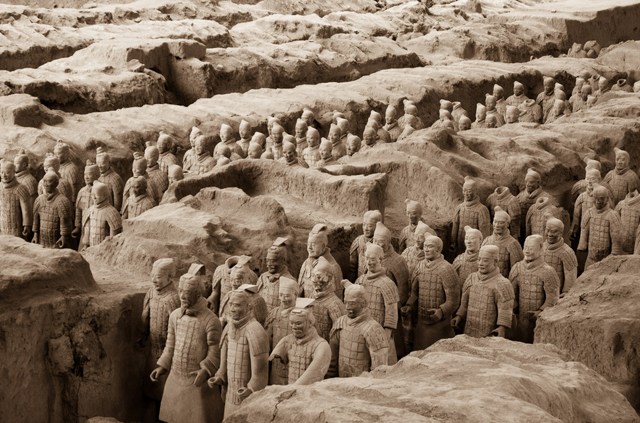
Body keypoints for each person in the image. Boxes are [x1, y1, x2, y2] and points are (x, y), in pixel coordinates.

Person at [150, 273, 223, 423]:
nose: (182, 296)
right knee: (171, 417)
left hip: (197, 382)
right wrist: (162, 366)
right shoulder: (175, 316)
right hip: (175, 377)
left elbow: (215, 351)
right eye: (180, 291)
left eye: (187, 293)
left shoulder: (211, 320)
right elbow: (170, 345)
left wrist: (205, 370)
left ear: (197, 294)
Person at [209, 285, 269, 419]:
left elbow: (260, 372)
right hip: (230, 393)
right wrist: (220, 375)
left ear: (249, 308)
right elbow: (224, 362)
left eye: (237, 305)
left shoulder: (255, 331)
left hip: (246, 396)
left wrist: (251, 389)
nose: (232, 309)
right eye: (231, 305)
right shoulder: (229, 327)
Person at [403, 235, 460, 350]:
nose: (426, 249)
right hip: (421, 322)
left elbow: (454, 299)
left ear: (438, 249)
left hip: (440, 325)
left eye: (430, 247)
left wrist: (441, 311)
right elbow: (415, 292)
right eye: (425, 246)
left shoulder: (447, 269)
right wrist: (409, 305)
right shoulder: (420, 266)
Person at [141, 259, 180, 410]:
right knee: (151, 389)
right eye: (152, 276)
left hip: (168, 353)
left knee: (166, 394)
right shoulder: (151, 292)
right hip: (152, 349)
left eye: (158, 277)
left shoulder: (173, 298)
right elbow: (145, 316)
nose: (153, 280)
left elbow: (177, 326)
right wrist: (142, 333)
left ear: (169, 277)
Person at [451, 245, 514, 338]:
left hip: (489, 332)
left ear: (495, 262)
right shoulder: (471, 278)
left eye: (485, 260)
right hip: (469, 329)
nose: (480, 263)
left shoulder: (502, 283)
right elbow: (464, 304)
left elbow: (505, 310)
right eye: (479, 259)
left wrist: (502, 327)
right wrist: (459, 316)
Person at [328, 285, 389, 377]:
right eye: (346, 302)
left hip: (363, 385)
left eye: (352, 303)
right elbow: (332, 360)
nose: (347, 307)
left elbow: (379, 369)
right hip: (341, 383)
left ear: (363, 303)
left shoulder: (373, 329)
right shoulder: (340, 322)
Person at [269, 298, 331, 385]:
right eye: (291, 323)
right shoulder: (288, 340)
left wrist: (292, 390)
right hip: (292, 391)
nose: (294, 327)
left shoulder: (321, 346)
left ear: (310, 323)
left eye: (298, 323)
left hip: (309, 394)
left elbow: (312, 376)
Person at [509, 235, 559, 343]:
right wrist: (512, 309)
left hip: (540, 320)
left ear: (541, 249)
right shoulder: (517, 268)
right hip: (521, 319)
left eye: (531, 248)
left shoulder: (548, 272)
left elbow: (553, 298)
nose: (527, 251)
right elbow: (511, 294)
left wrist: (540, 312)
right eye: (525, 247)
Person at [578, 184, 624, 268]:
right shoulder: (589, 213)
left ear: (607, 199)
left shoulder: (613, 216)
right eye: (596, 198)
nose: (598, 201)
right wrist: (582, 249)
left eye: (601, 198)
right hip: (590, 259)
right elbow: (583, 235)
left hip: (607, 260)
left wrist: (614, 256)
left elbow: (617, 239)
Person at [265, 277, 299, 385]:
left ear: (296, 295)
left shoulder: (302, 315)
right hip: (276, 366)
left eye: (287, 295)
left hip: (295, 366)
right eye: (281, 295)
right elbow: (266, 339)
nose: (283, 299)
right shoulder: (274, 313)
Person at [299, 224, 343, 299]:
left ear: (323, 246)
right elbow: (299, 290)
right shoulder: (306, 263)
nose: (309, 248)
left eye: (313, 244)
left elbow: (337, 298)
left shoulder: (333, 267)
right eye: (308, 244)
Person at [32, 170, 73, 248]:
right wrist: (35, 234)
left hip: (57, 241)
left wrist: (64, 236)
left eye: (49, 181)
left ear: (56, 183)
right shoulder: (39, 200)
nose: (46, 184)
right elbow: (36, 218)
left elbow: (65, 221)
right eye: (44, 181)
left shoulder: (63, 201)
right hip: (42, 240)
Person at [451, 177, 491, 255]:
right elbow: (455, 226)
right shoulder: (459, 208)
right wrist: (453, 242)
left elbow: (485, 232)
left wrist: (483, 248)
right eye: (464, 190)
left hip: (476, 250)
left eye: (469, 191)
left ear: (475, 191)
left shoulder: (482, 210)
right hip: (460, 247)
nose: (466, 193)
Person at [310, 257, 346, 342]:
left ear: (329, 279)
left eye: (320, 277)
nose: (316, 281)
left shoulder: (335, 304)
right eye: (313, 276)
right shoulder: (311, 297)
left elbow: (339, 336)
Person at [482, 207, 523, 278]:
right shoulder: (486, 241)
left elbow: (516, 273)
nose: (497, 225)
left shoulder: (513, 244)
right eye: (495, 222)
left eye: (501, 223)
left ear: (507, 224)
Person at [256, 237, 294, 313]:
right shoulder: (263, 277)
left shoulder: (290, 281)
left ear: (283, 260)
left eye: (273, 261)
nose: (269, 264)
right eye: (267, 260)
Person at [543, 217, 577, 295]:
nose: (549, 234)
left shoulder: (567, 252)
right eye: (547, 230)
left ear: (561, 233)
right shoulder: (541, 247)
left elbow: (571, 277)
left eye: (554, 231)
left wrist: (566, 292)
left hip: (556, 294)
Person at [0, 161, 32, 239]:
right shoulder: (0, 187)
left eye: (7, 172)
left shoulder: (21, 188)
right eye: (1, 172)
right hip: (2, 225)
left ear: (14, 172)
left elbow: (26, 210)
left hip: (16, 227)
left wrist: (27, 225)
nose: (4, 175)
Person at [349, 210, 383, 281]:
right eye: (364, 224)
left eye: (370, 226)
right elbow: (352, 268)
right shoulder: (358, 241)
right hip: (360, 281)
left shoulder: (381, 243)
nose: (365, 228)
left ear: (377, 226)